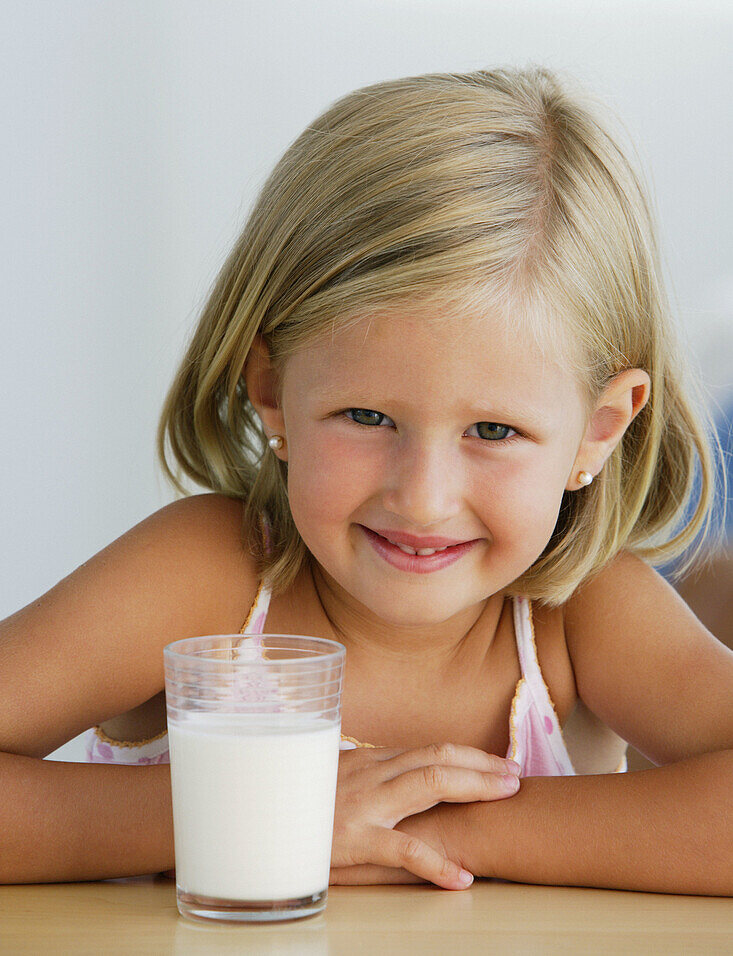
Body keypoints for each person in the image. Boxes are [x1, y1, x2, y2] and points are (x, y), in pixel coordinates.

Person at [2, 66, 732, 895]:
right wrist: (271, 814)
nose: (421, 498)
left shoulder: (581, 618)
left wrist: (429, 829)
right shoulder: (204, 579)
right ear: (272, 393)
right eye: (366, 418)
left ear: (597, 429)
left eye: (493, 431)